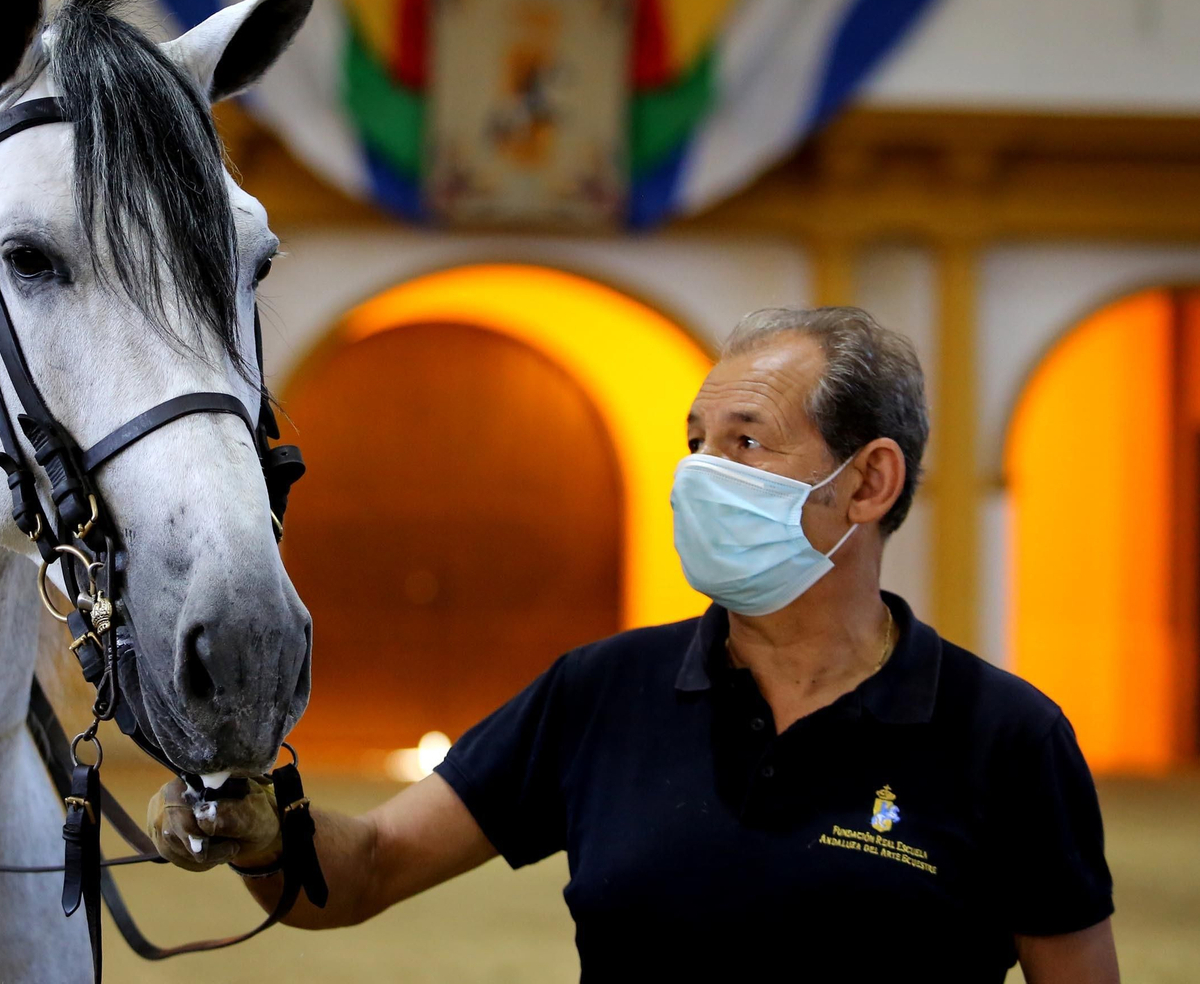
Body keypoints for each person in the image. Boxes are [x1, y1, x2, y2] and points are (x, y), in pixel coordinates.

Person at [147, 307, 1118, 983]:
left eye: (745, 442)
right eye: (695, 440)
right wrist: (263, 828)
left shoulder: (1006, 737)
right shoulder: (602, 691)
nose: (698, 473)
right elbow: (364, 869)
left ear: (868, 483)